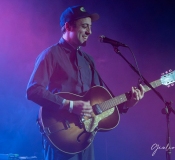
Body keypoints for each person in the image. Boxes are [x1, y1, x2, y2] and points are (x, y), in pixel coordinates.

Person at [26, 5, 145, 160]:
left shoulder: (88, 60)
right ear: (68, 26)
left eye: (90, 27)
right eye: (84, 26)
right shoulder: (51, 54)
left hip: (84, 137)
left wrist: (127, 104)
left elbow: (102, 101)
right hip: (61, 135)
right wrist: (69, 105)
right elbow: (33, 90)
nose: (89, 32)